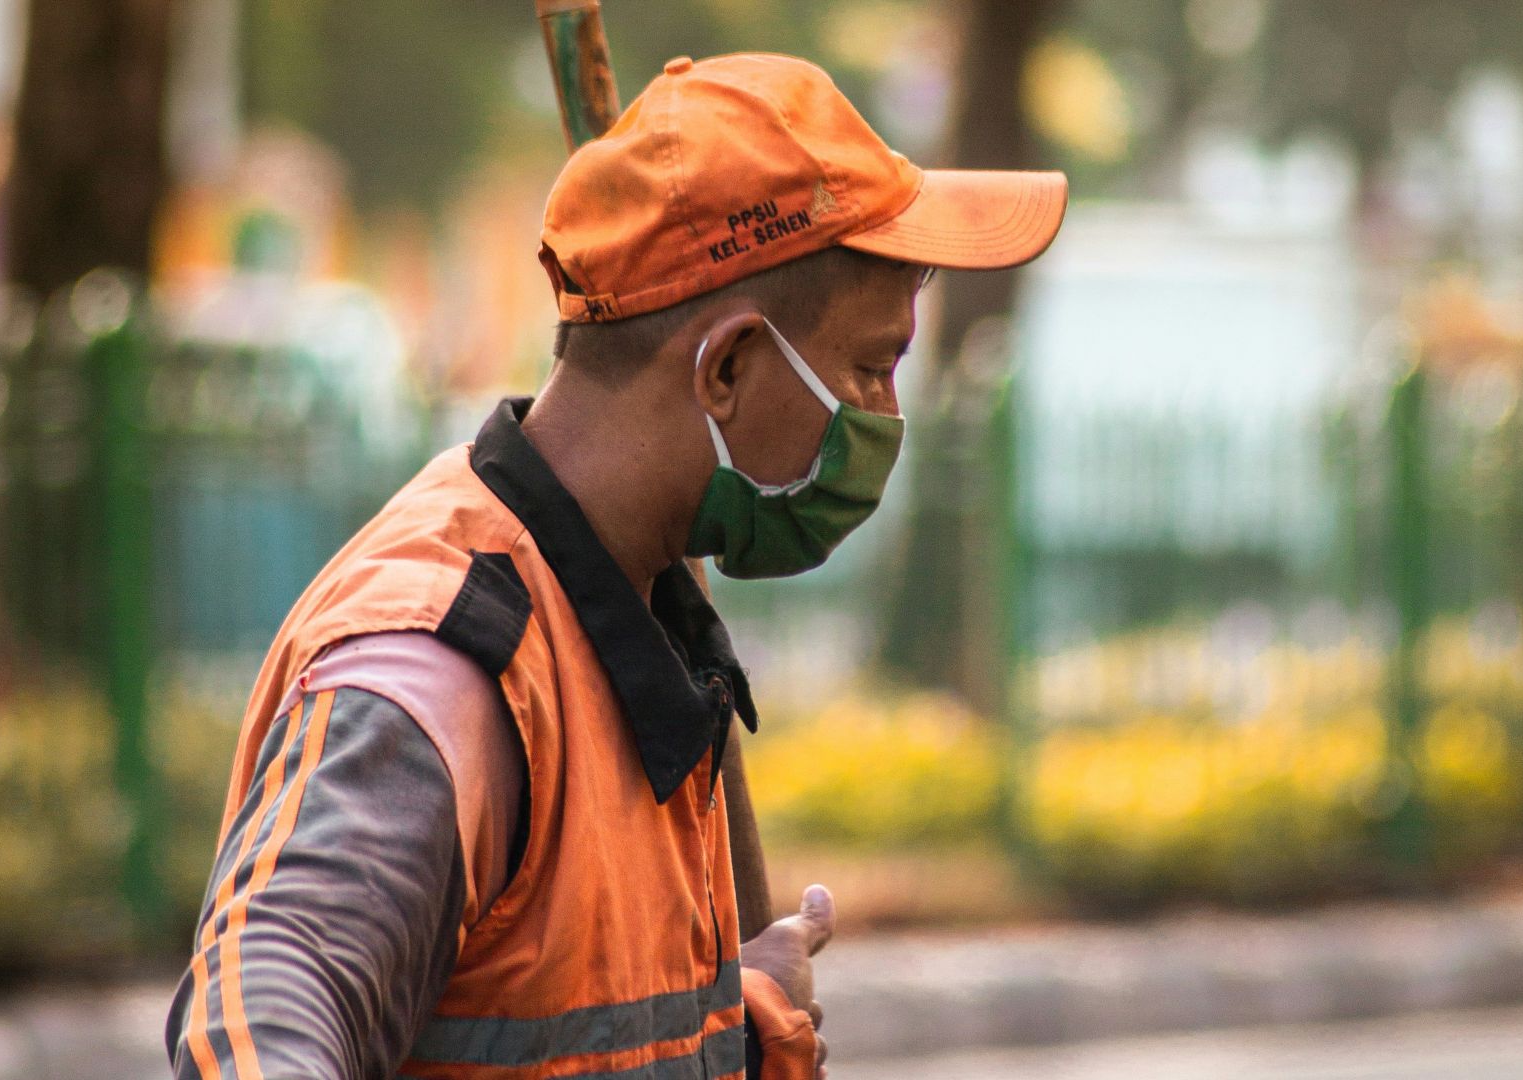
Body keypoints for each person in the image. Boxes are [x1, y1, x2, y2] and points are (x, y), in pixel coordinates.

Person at [166, 51, 1065, 1080]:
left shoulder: (632, 612)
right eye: (871, 366)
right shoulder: (447, 663)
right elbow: (264, 997)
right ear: (725, 369)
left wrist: (732, 1020)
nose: (886, 417)